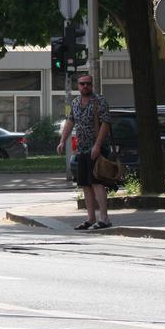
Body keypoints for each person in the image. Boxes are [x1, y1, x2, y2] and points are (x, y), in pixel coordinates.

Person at [57, 74, 113, 230]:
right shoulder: (75, 102)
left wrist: (97, 145)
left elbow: (105, 123)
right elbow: (70, 121)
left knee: (97, 182)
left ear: (92, 85)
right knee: (85, 184)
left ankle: (104, 218)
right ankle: (90, 218)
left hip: (96, 148)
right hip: (81, 148)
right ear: (78, 85)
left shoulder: (99, 101)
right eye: (82, 84)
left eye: (88, 83)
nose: (85, 86)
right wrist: (62, 141)